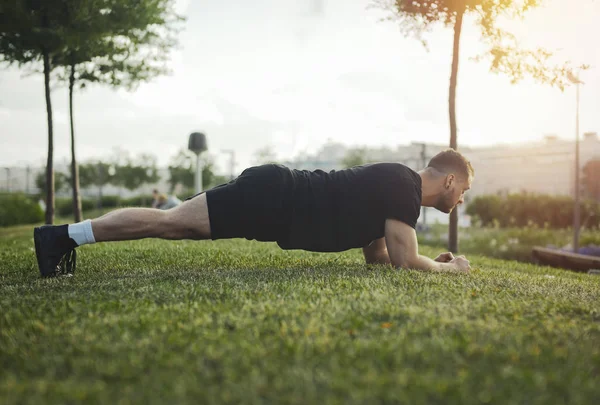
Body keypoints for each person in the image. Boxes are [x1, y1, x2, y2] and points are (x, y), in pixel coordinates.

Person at [33, 149, 473, 277]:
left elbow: (379, 255)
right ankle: (62, 236)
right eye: (465, 190)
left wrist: (429, 263)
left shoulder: (397, 191)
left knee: (174, 228)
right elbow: (402, 260)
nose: (462, 201)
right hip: (275, 196)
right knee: (170, 224)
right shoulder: (404, 188)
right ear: (449, 180)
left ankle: (63, 237)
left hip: (275, 199)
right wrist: (453, 270)